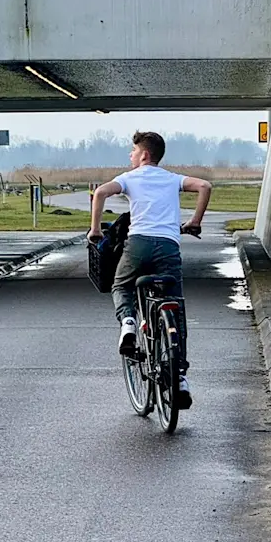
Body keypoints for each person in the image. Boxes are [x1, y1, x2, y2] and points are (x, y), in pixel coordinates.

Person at [87, 131, 212, 406]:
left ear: (144, 154)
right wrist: (194, 221)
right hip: (168, 247)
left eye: (132, 151)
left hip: (138, 244)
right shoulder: (171, 178)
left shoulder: (129, 178)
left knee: (121, 285)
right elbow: (204, 186)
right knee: (174, 304)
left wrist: (96, 230)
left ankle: (129, 322)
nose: (130, 155)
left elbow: (100, 193)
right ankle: (179, 378)